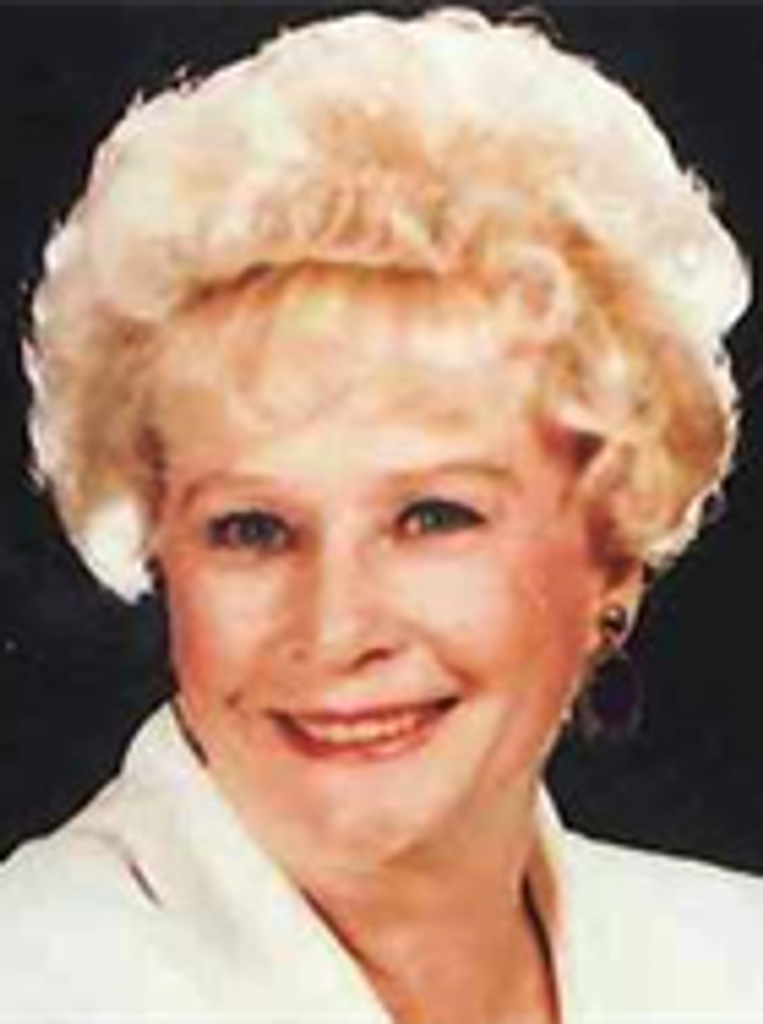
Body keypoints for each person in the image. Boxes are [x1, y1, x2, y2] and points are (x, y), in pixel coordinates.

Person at [2, 7, 762, 1022]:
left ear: (612, 552)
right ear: (158, 544)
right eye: (251, 529)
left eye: (432, 516)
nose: (336, 629)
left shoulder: (733, 958)